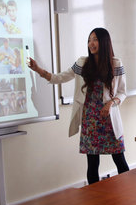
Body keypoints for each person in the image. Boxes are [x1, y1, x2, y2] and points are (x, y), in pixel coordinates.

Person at [28, 27, 130, 184]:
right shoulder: (83, 63)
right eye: (89, 40)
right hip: (90, 119)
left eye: (95, 39)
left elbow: (122, 92)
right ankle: (95, 200)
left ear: (104, 42)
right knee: (92, 164)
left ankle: (131, 197)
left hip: (109, 118)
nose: (91, 43)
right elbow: (58, 78)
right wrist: (38, 69)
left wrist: (110, 103)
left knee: (120, 160)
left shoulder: (116, 64)